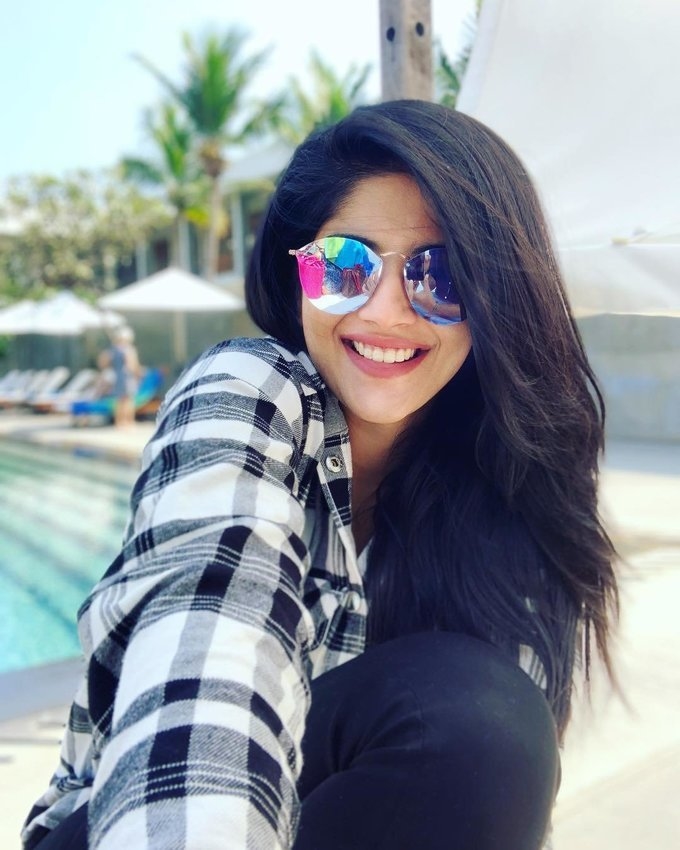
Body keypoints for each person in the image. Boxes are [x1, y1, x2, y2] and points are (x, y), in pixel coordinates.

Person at [22, 100, 619, 850]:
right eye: (344, 265)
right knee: (476, 716)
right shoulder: (245, 391)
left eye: (442, 273)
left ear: (495, 297)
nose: (387, 312)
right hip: (130, 820)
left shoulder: (505, 491)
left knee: (491, 731)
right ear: (296, 270)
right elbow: (208, 648)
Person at [103, 326, 140, 428]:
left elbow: (104, 363)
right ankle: (128, 422)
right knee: (129, 400)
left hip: (117, 376)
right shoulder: (128, 349)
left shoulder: (113, 350)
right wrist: (137, 373)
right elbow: (131, 364)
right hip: (127, 376)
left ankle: (119, 422)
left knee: (119, 400)